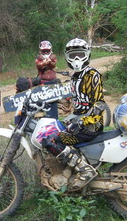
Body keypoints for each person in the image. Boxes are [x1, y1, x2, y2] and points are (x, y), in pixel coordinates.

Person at [40, 38, 107, 190]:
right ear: (67, 57)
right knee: (56, 130)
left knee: (52, 141)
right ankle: (69, 169)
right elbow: (75, 103)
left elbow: (100, 104)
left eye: (80, 54)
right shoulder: (75, 76)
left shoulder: (93, 75)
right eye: (73, 55)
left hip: (91, 126)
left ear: (87, 55)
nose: (77, 58)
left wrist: (83, 122)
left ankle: (85, 170)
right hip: (78, 122)